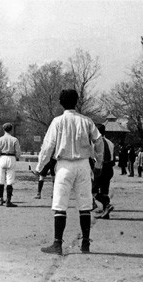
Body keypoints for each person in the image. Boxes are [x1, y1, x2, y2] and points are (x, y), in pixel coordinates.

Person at [35, 89, 104, 255]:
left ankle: (58, 243)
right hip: (83, 165)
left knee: (60, 205)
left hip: (64, 165)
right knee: (85, 205)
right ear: (77, 101)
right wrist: (99, 163)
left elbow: (48, 146)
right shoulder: (86, 121)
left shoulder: (57, 122)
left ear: (61, 102)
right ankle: (86, 243)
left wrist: (40, 167)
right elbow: (99, 141)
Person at [0, 122, 22, 207]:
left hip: (2, 157)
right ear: (11, 129)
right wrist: (16, 157)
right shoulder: (15, 139)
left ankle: (0, 199)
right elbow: (18, 152)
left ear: (3, 129)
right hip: (11, 158)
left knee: (0, 179)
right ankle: (8, 200)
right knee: (10, 180)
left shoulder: (0, 139)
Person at [93, 124, 115, 219]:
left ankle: (106, 204)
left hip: (99, 167)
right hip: (109, 168)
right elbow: (113, 158)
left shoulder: (94, 143)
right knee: (104, 190)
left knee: (92, 190)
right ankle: (105, 213)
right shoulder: (110, 143)